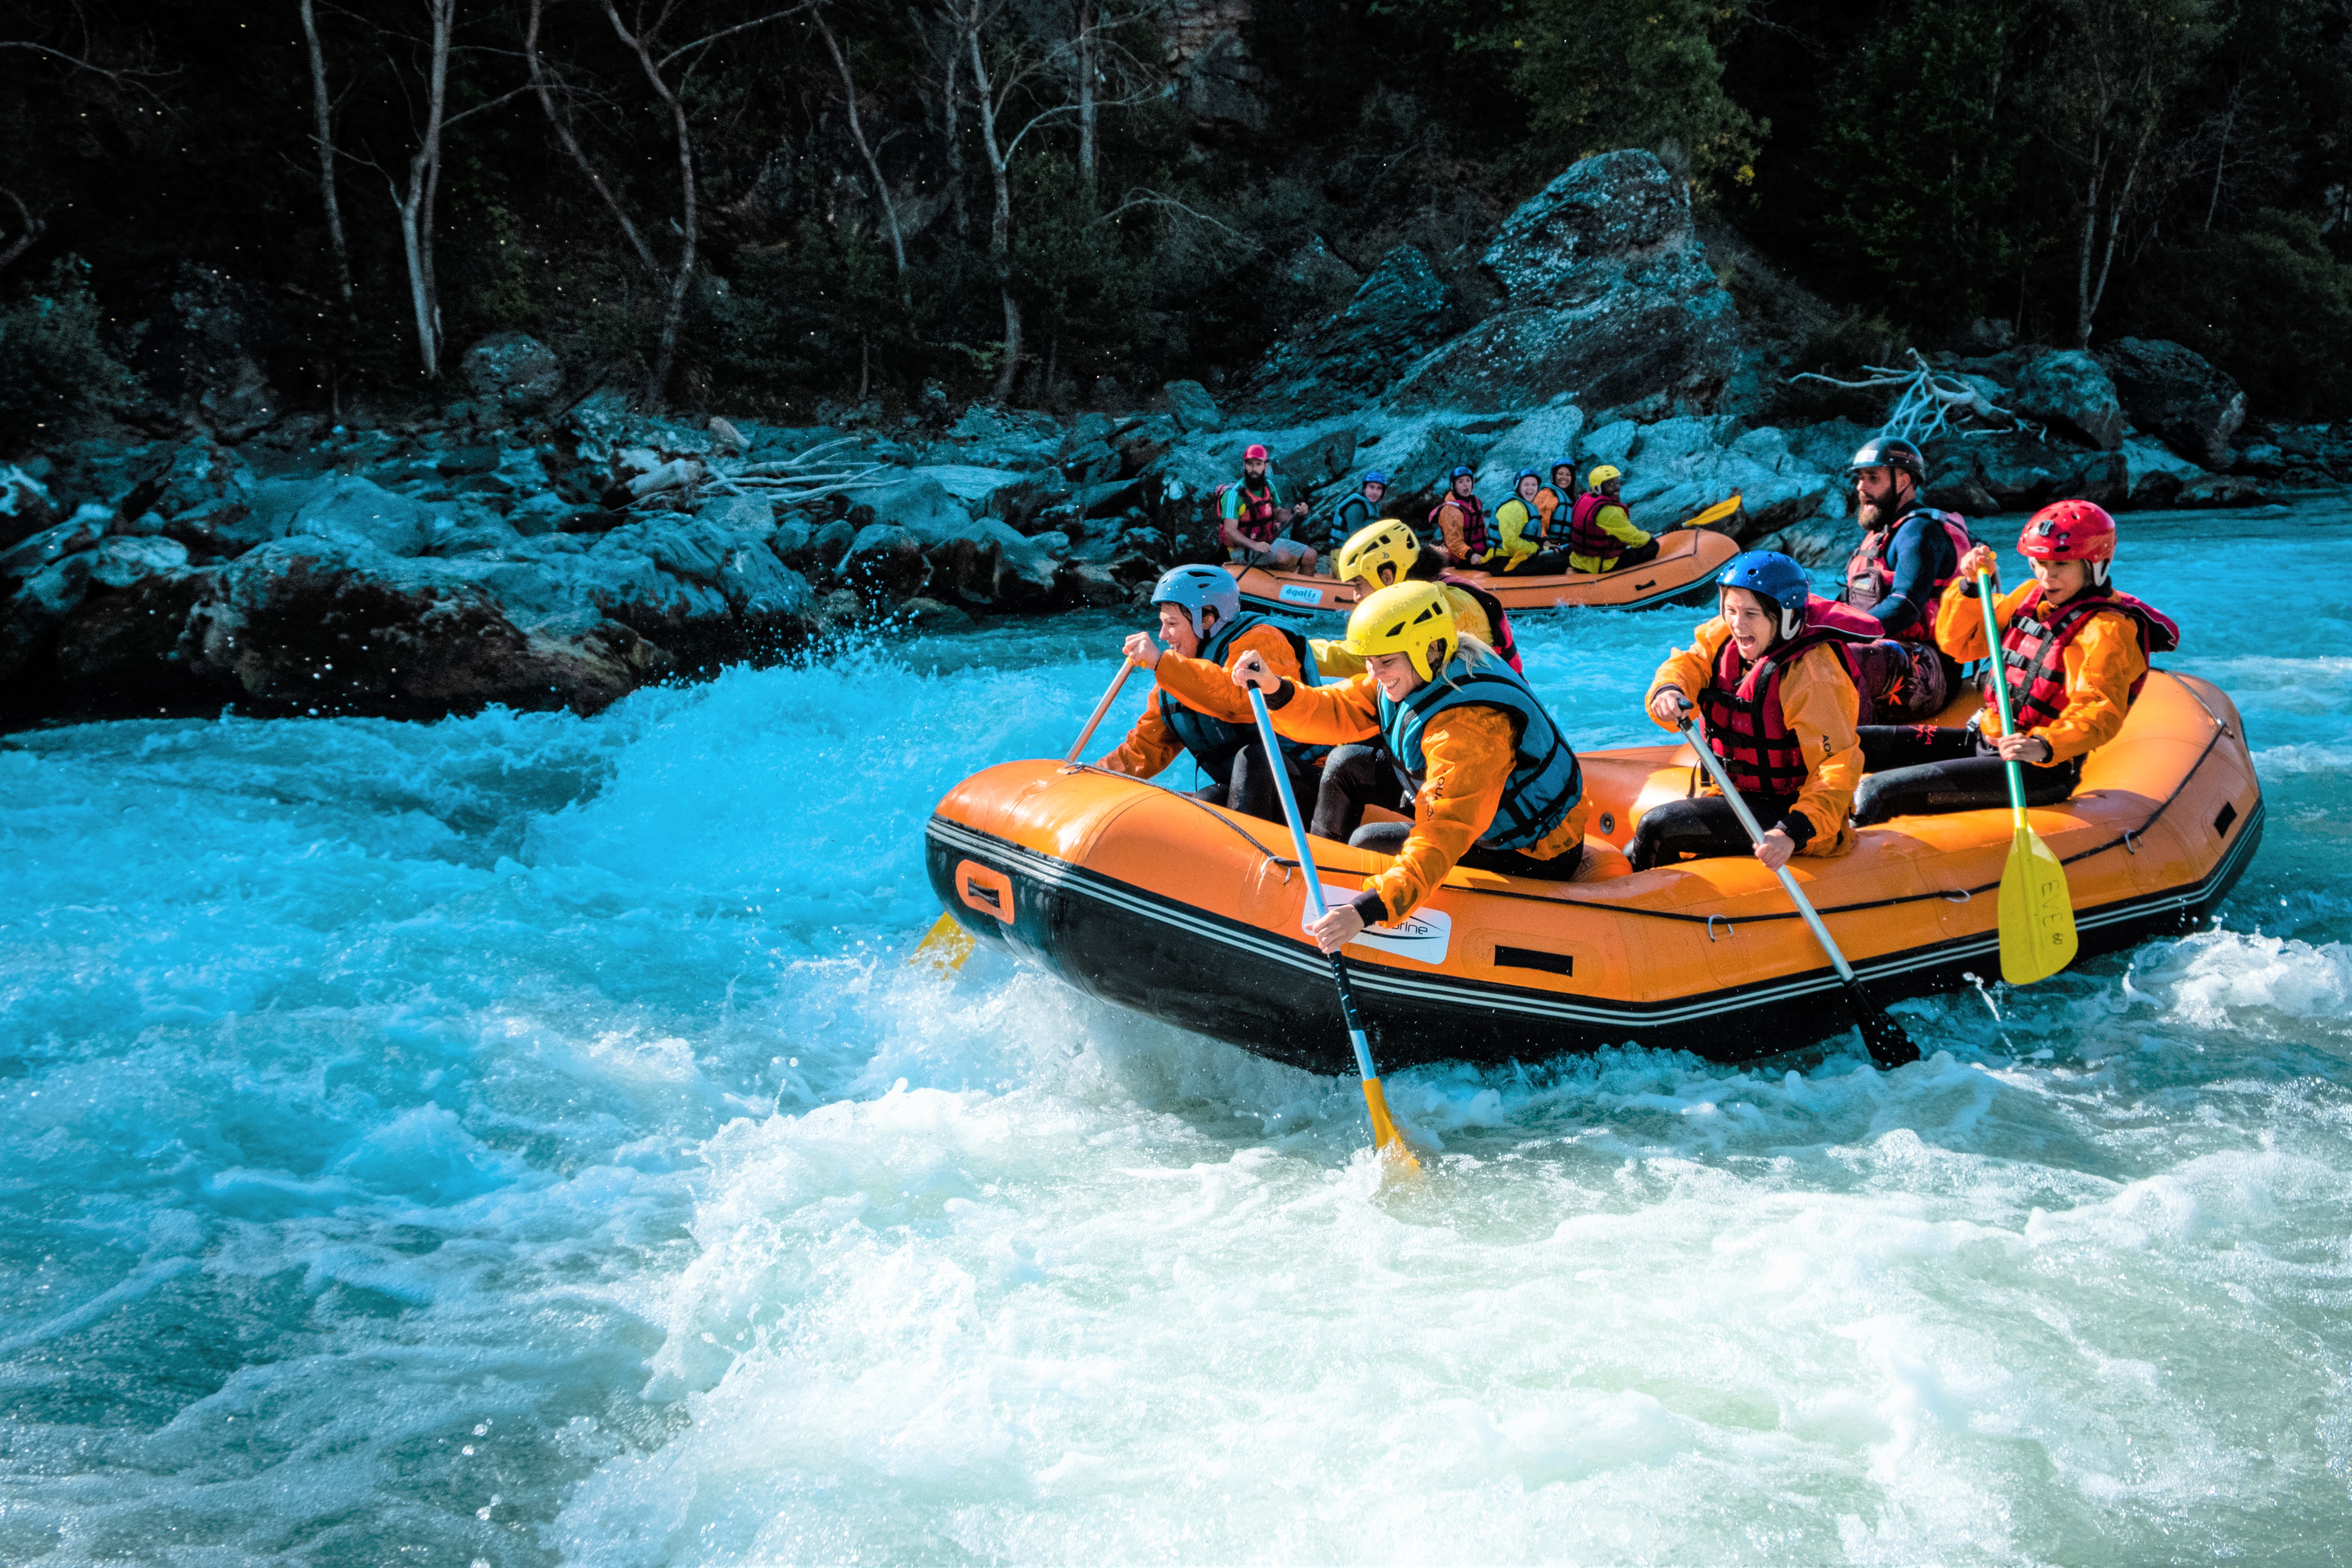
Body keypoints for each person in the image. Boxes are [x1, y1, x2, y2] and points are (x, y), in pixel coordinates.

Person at [1232, 581, 1589, 952]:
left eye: (1385, 662)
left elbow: (1443, 833)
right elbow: (1338, 707)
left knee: (1368, 841)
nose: (1376, 673)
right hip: (1481, 808)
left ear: (1430, 648)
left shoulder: (1470, 728)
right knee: (1345, 764)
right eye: (1371, 662)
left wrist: (1370, 908)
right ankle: (1316, 890)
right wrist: (1276, 688)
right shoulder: (1415, 671)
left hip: (1533, 851)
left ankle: (1345, 915)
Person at [1851, 500, 2179, 825]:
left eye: (2061, 565)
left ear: (2095, 564)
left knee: (1879, 791)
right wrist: (1968, 589)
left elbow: (2098, 709)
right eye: (2039, 563)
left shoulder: (2107, 629)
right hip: (1985, 741)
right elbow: (1961, 645)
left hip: (2036, 769)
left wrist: (2043, 745)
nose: (2047, 576)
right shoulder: (2028, 596)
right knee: (1858, 741)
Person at [1630, 551, 1871, 873]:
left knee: (1660, 826)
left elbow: (1836, 767)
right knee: (1640, 844)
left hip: (1796, 817)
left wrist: (1792, 832)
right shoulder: (1726, 638)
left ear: (1785, 618)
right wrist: (1669, 689)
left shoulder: (1813, 674)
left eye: (1751, 614)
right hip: (1738, 797)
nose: (1737, 624)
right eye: (1730, 610)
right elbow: (1689, 663)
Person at [1099, 565, 1325, 824]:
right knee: (1201, 805)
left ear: (1208, 619)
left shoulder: (1265, 641)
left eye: (1172, 624)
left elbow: (1239, 701)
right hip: (1251, 792)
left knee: (1255, 759)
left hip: (1312, 785)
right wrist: (1091, 776)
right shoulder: (1176, 679)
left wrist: (1162, 663)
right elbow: (1143, 752)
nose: (1162, 636)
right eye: (1162, 624)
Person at [1839, 434, 1974, 709]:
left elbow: (1905, 607)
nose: (1861, 487)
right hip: (1886, 649)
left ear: (1903, 481)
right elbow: (1842, 605)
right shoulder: (1881, 536)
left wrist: (1840, 634)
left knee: (1839, 657)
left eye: (1873, 478)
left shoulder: (1921, 532)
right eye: (1860, 478)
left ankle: (1849, 747)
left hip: (1930, 667)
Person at [1313, 518, 1521, 675]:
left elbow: (1371, 658)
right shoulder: (1431, 590)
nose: (1356, 596)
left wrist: (1295, 650)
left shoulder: (1447, 602)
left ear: (1387, 576)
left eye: (1358, 585)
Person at [1218, 443, 1317, 572]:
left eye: (1259, 464)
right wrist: (1255, 545)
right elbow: (1230, 532)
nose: (1254, 469)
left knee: (1311, 555)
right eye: (1250, 464)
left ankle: (1301, 589)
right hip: (1242, 550)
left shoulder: (1269, 487)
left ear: (1266, 466)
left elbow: (1277, 515)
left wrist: (1295, 511)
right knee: (1282, 555)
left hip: (1267, 543)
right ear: (1244, 466)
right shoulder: (1233, 495)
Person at [1564, 465, 1661, 575]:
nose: (1617, 487)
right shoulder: (1610, 512)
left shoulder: (1584, 500)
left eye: (1617, 482)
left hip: (1579, 562)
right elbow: (1634, 537)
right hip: (1601, 566)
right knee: (1651, 546)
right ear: (1598, 488)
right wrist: (1649, 537)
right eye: (1610, 484)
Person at [1490, 470, 1569, 575]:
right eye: (1526, 485)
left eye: (1534, 485)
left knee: (1562, 555)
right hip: (1503, 562)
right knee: (1563, 562)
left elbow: (1534, 537)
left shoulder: (1529, 505)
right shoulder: (1513, 507)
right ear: (1518, 486)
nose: (1530, 489)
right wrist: (1534, 549)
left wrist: (1547, 546)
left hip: (1519, 558)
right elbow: (1510, 543)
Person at [1427, 466, 1491, 567]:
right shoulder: (1450, 510)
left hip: (1481, 551)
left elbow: (1481, 529)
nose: (1466, 485)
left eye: (1468, 481)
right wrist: (1471, 556)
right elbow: (1454, 542)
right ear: (1454, 486)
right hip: (1463, 558)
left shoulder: (1475, 501)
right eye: (1461, 482)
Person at [1321, 470, 1388, 559]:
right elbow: (1356, 539)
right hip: (1343, 554)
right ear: (1364, 489)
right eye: (1371, 487)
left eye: (1379, 488)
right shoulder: (1356, 507)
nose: (1375, 492)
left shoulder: (1374, 506)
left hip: (1357, 551)